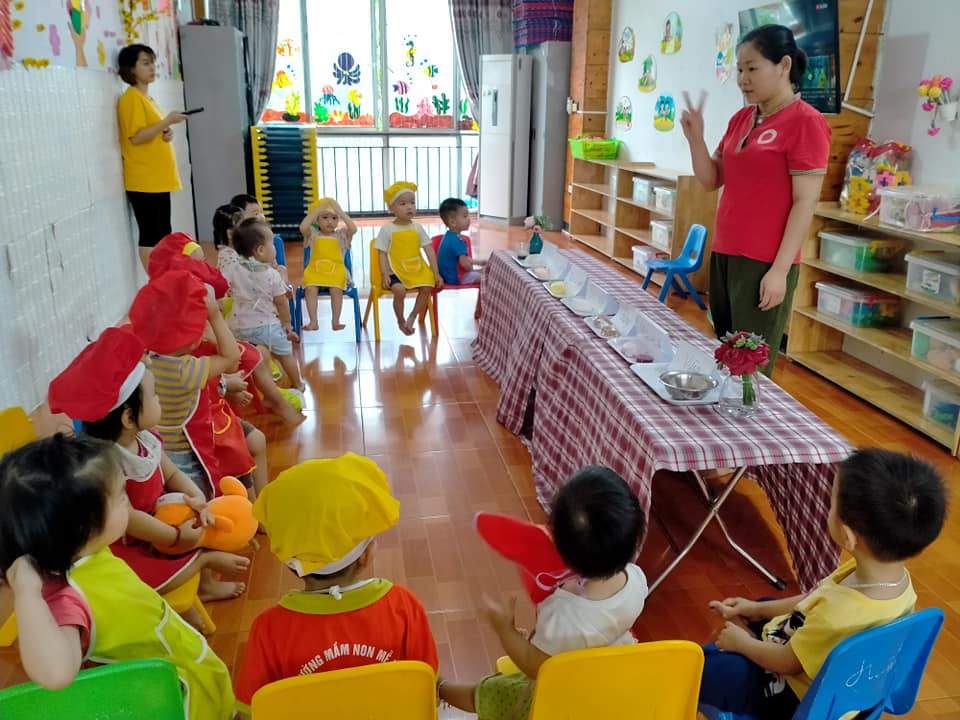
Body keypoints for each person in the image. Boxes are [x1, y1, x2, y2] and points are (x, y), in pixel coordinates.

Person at [0, 434, 235, 719]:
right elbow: (56, 673)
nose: (128, 503)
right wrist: (26, 593)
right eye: (122, 496)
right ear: (83, 525)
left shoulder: (92, 550)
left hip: (179, 656)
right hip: (168, 694)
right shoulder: (65, 594)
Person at [699, 449, 947, 719]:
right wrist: (755, 610)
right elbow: (815, 598)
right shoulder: (895, 582)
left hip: (798, 699)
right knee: (764, 606)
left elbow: (787, 662)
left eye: (831, 504)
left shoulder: (837, 615)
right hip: (842, 688)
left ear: (848, 537)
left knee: (711, 669)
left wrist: (743, 644)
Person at [47, 327, 249, 603]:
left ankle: (202, 578)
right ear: (128, 418)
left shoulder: (145, 437)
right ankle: (203, 569)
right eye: (154, 395)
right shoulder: (106, 464)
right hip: (132, 543)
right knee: (191, 551)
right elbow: (129, 520)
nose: (158, 400)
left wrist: (196, 496)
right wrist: (174, 537)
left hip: (159, 521)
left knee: (197, 530)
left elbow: (171, 472)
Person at [233, 454, 438, 716]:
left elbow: (251, 710)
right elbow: (426, 686)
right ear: (364, 557)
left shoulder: (268, 629)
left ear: (291, 564)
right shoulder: (403, 607)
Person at [439, 466, 649, 719]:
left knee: (491, 691)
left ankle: (440, 688)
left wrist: (504, 629)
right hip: (610, 683)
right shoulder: (637, 580)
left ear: (560, 547)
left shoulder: (564, 614)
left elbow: (533, 664)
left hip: (564, 699)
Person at [680, 24, 830, 375]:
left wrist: (779, 271)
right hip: (726, 252)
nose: (743, 79)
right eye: (739, 70)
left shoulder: (806, 122)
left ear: (784, 66)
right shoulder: (742, 118)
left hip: (764, 262)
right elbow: (711, 180)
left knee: (750, 367)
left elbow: (804, 203)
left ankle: (747, 411)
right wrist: (696, 139)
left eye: (752, 68)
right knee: (725, 354)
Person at [129, 270, 241, 499]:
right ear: (193, 340)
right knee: (200, 503)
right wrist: (215, 317)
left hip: (155, 451)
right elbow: (232, 358)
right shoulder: (186, 370)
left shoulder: (145, 360)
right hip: (184, 458)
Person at [116, 44, 185, 270]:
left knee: (163, 233)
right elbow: (136, 137)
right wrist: (167, 121)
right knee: (151, 234)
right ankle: (157, 280)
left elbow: (151, 132)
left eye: (152, 62)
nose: (152, 67)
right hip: (144, 179)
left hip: (157, 179)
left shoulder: (148, 99)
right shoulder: (130, 98)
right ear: (131, 69)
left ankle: (165, 277)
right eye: (145, 63)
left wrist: (166, 132)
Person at [223, 219, 304, 393]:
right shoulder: (272, 275)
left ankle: (252, 387)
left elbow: (224, 287)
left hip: (240, 327)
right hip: (269, 328)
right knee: (285, 355)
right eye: (272, 244)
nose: (275, 248)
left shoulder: (234, 269)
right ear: (260, 250)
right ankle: (298, 383)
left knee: (250, 357)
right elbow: (281, 302)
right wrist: (287, 325)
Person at [375, 181, 442, 336]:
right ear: (391, 208)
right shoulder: (387, 229)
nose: (409, 207)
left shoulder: (417, 228)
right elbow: (382, 253)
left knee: (427, 287)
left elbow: (429, 251)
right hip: (395, 272)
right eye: (403, 204)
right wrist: (385, 274)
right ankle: (400, 320)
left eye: (412, 202)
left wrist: (436, 273)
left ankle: (412, 316)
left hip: (416, 269)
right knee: (399, 291)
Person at [299, 197, 358, 332]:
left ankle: (335, 321)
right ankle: (313, 321)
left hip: (336, 272)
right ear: (317, 220)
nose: (330, 221)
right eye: (325, 217)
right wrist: (316, 211)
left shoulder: (342, 235)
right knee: (310, 288)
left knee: (336, 289)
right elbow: (303, 227)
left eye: (334, 218)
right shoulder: (312, 234)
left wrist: (340, 212)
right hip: (315, 271)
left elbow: (353, 229)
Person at [437, 197, 485, 285]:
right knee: (486, 277)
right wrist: (473, 270)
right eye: (465, 216)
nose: (469, 219)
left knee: (482, 271)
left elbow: (464, 259)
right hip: (455, 279)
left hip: (446, 277)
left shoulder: (449, 236)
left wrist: (479, 262)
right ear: (453, 222)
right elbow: (464, 263)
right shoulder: (458, 241)